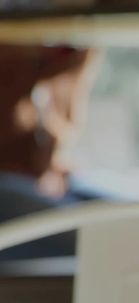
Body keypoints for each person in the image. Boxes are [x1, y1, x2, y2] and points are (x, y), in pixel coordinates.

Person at [0, 44, 103, 261]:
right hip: (7, 182)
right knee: (99, 237)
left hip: (42, 179)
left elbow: (64, 124)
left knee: (137, 218)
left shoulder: (69, 53)